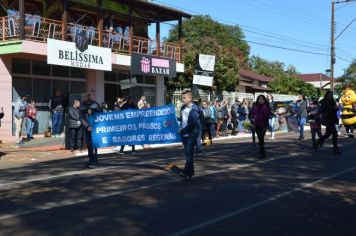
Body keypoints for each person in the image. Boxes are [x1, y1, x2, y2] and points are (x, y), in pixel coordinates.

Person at [179, 90, 200, 178]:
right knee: (187, 154)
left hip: (191, 135)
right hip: (184, 134)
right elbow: (183, 120)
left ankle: (187, 172)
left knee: (188, 154)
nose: (183, 99)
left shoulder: (194, 109)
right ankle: (190, 172)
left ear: (190, 98)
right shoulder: (183, 108)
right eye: (182, 98)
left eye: (185, 98)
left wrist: (183, 131)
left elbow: (192, 124)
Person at [81, 93, 101, 168]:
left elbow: (101, 115)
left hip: (94, 127)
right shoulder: (82, 106)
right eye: (83, 97)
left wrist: (93, 112)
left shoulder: (95, 104)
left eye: (85, 96)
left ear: (89, 96)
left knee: (94, 144)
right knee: (89, 144)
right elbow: (81, 117)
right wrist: (87, 126)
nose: (84, 98)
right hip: (87, 128)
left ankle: (95, 159)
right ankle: (90, 160)